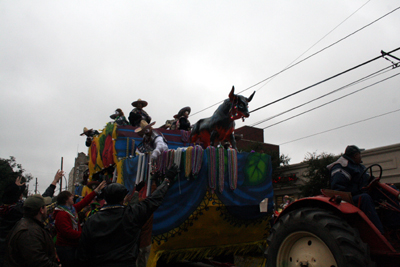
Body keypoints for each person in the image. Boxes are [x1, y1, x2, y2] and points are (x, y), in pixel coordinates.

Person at [77, 165, 179, 267]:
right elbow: (154, 199)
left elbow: (82, 252)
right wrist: (167, 180)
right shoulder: (132, 214)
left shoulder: (92, 220)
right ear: (123, 198)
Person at [0, 170, 63, 267]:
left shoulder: (6, 210)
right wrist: (54, 181)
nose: (21, 197)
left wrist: (16, 189)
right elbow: (38, 260)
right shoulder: (20, 217)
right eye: (20, 195)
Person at [327, 145, 385, 233]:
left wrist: (373, 181)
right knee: (365, 198)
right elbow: (338, 189)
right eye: (359, 154)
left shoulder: (360, 166)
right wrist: (358, 190)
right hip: (349, 199)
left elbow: (366, 179)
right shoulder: (341, 167)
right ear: (355, 155)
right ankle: (379, 232)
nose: (361, 156)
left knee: (387, 191)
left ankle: (394, 224)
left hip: (363, 193)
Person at [54, 180, 106, 267]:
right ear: (66, 200)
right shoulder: (61, 214)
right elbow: (68, 233)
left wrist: (95, 191)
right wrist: (84, 235)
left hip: (73, 245)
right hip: (66, 248)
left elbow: (84, 202)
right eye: (71, 197)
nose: (73, 198)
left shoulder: (71, 210)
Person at [4, 194, 58, 267]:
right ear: (41, 210)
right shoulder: (29, 232)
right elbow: (38, 262)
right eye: (45, 206)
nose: (47, 208)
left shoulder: (29, 225)